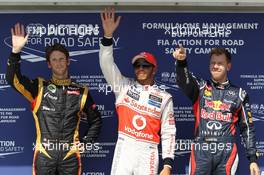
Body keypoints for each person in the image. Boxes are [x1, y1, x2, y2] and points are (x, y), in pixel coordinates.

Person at [6, 23, 102, 175]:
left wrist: (86, 143)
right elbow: (13, 80)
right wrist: (15, 52)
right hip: (45, 156)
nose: (59, 63)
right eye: (54, 60)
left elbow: (96, 120)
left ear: (68, 61)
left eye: (62, 59)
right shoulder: (39, 87)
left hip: (70, 157)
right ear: (49, 64)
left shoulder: (81, 91)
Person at [99, 8, 176, 175]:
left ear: (154, 69)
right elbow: (106, 64)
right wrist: (107, 36)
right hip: (125, 146)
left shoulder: (164, 97)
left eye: (145, 65)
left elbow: (169, 132)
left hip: (148, 151)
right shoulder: (123, 86)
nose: (140, 68)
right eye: (137, 65)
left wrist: (168, 164)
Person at [173, 46, 260, 175]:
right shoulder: (200, 87)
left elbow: (247, 127)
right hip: (201, 151)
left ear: (228, 66)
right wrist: (181, 63)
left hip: (227, 153)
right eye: (213, 63)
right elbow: (183, 81)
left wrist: (252, 158)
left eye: (220, 63)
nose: (215, 66)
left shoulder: (239, 94)